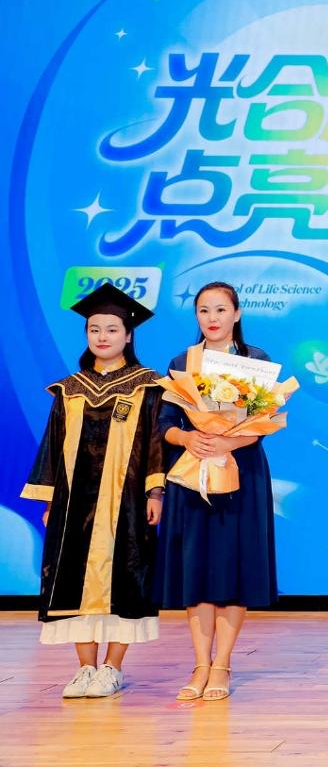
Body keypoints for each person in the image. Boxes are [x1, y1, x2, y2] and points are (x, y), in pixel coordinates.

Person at [21, 284, 164, 698]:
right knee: (71, 579)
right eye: (94, 329)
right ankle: (85, 668)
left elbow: (156, 442)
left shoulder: (148, 386)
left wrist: (155, 493)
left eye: (112, 329)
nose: (102, 336)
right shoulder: (69, 389)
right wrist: (50, 498)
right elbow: (52, 444)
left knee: (125, 577)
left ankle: (112, 668)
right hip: (74, 503)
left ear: (128, 335)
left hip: (127, 501)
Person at [155, 282, 278, 701]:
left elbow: (264, 422)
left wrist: (229, 441)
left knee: (233, 568)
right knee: (197, 568)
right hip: (193, 473)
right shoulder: (182, 363)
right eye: (204, 310)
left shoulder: (256, 360)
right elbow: (165, 423)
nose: (212, 317)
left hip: (242, 473)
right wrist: (188, 438)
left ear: (237, 314)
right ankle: (200, 665)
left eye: (221, 309)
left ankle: (222, 664)